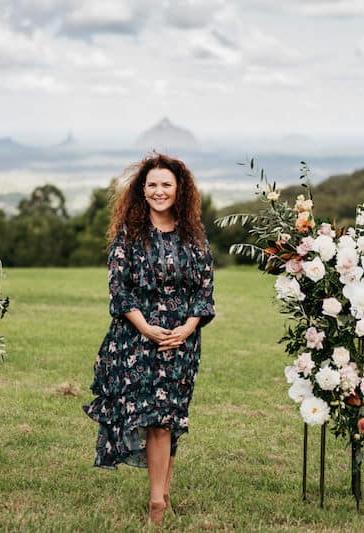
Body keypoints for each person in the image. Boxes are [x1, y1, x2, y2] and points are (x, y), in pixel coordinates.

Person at [83, 154, 215, 527]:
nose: (159, 191)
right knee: (156, 419)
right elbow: (119, 290)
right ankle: (157, 503)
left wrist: (187, 329)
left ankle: (164, 493)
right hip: (137, 339)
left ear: (179, 190)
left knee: (169, 419)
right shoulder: (130, 234)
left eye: (166, 185)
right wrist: (146, 328)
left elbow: (205, 292)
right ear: (143, 190)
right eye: (152, 185)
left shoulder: (193, 235)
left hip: (183, 342)